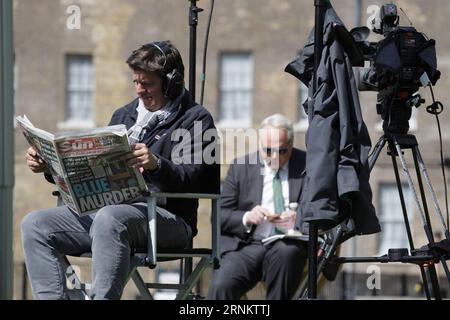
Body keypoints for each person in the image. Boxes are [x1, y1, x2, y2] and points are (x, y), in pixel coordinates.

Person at [22, 40, 219, 300]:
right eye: (136, 82)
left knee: (110, 218)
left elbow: (192, 177)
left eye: (147, 83)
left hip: (169, 221)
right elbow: (92, 169)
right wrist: (49, 167)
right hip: (110, 213)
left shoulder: (196, 119)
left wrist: (156, 164)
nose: (139, 90)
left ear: (172, 82)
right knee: (35, 224)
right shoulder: (123, 116)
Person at [207, 114, 307, 300]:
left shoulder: (307, 165)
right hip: (247, 245)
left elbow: (322, 207)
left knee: (286, 254)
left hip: (287, 243)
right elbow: (218, 216)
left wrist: (297, 217)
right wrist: (246, 217)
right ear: (260, 145)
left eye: (282, 151)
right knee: (221, 285)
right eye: (268, 151)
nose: (275, 157)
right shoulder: (241, 166)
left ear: (291, 146)